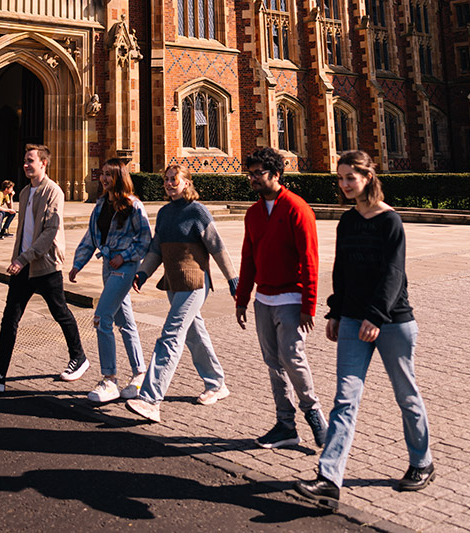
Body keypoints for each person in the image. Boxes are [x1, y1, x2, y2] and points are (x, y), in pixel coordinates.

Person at [295, 150, 434, 509]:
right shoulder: (348, 221)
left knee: (406, 394)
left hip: (392, 322)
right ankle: (329, 478)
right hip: (355, 319)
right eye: (340, 179)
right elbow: (342, 270)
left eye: (349, 178)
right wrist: (336, 312)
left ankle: (422, 462)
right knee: (345, 400)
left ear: (367, 177)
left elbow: (394, 274)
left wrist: (375, 315)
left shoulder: (390, 221)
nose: (343, 185)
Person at [125, 164, 239, 423]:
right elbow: (156, 249)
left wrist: (233, 279)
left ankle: (151, 399)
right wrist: (143, 274)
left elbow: (217, 247)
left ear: (187, 182)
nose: (169, 183)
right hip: (174, 283)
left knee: (171, 335)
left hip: (195, 282)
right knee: (193, 335)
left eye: (174, 179)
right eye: (166, 179)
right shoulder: (165, 213)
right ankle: (217, 383)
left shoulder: (197, 211)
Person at [0, 144, 88, 392]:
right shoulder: (23, 193)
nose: (26, 164)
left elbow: (49, 232)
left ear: (43, 163)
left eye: (31, 160)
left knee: (60, 313)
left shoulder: (54, 192)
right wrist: (17, 259)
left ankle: (80, 358)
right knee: (9, 319)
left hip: (45, 265)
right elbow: (23, 232)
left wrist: (23, 259)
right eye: (25, 160)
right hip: (23, 267)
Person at [235, 147, 328, 449]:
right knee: (273, 362)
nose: (252, 179)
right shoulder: (253, 213)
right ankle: (285, 425)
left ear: (276, 174)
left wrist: (308, 305)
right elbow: (248, 257)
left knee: (293, 358)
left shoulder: (297, 208)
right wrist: (242, 298)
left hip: (290, 295)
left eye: (258, 173)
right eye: (249, 174)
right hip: (264, 299)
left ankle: (313, 412)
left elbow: (310, 258)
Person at [69, 158, 152, 403]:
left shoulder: (134, 206)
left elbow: (145, 239)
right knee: (125, 321)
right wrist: (77, 264)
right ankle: (140, 374)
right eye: (102, 173)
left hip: (124, 268)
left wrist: (124, 256)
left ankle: (109, 379)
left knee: (102, 317)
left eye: (109, 174)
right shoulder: (101, 204)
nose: (103, 178)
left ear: (119, 176)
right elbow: (91, 237)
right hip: (108, 267)